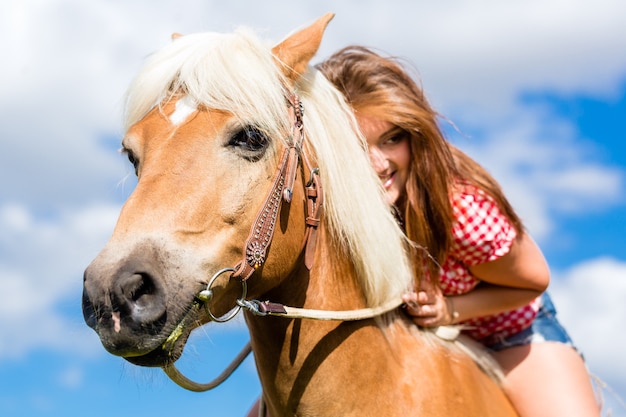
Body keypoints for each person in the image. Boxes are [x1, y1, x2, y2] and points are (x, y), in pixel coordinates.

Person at [313, 46, 601, 417]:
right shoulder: (327, 205)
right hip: (401, 338)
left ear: (416, 135)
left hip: (508, 332)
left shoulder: (461, 210)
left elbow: (532, 281)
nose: (378, 163)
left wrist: (449, 309)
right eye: (354, 144)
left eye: (392, 138)